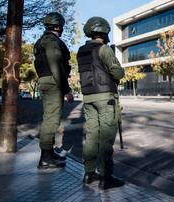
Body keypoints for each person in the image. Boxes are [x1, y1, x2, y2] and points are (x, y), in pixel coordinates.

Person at [77, 16, 125, 190]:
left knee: (91, 136)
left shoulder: (81, 51)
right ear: (104, 32)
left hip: (88, 98)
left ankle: (89, 173)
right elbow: (118, 74)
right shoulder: (104, 49)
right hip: (105, 98)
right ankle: (106, 177)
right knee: (105, 139)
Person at [34, 12, 74, 169]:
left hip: (46, 80)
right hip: (53, 81)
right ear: (58, 26)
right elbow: (56, 65)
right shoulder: (51, 42)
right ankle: (45, 158)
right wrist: (67, 90)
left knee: (49, 118)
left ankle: (49, 153)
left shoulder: (40, 41)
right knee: (51, 120)